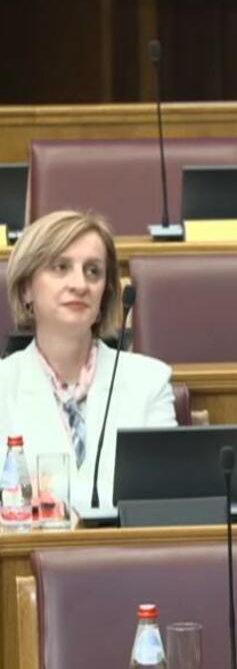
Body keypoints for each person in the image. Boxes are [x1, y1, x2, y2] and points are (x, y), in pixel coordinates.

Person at [0, 210, 175, 510]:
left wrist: (48, 490)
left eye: (93, 271)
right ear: (27, 287)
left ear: (104, 295)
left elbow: (161, 497)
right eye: (61, 267)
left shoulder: (149, 382)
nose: (80, 284)